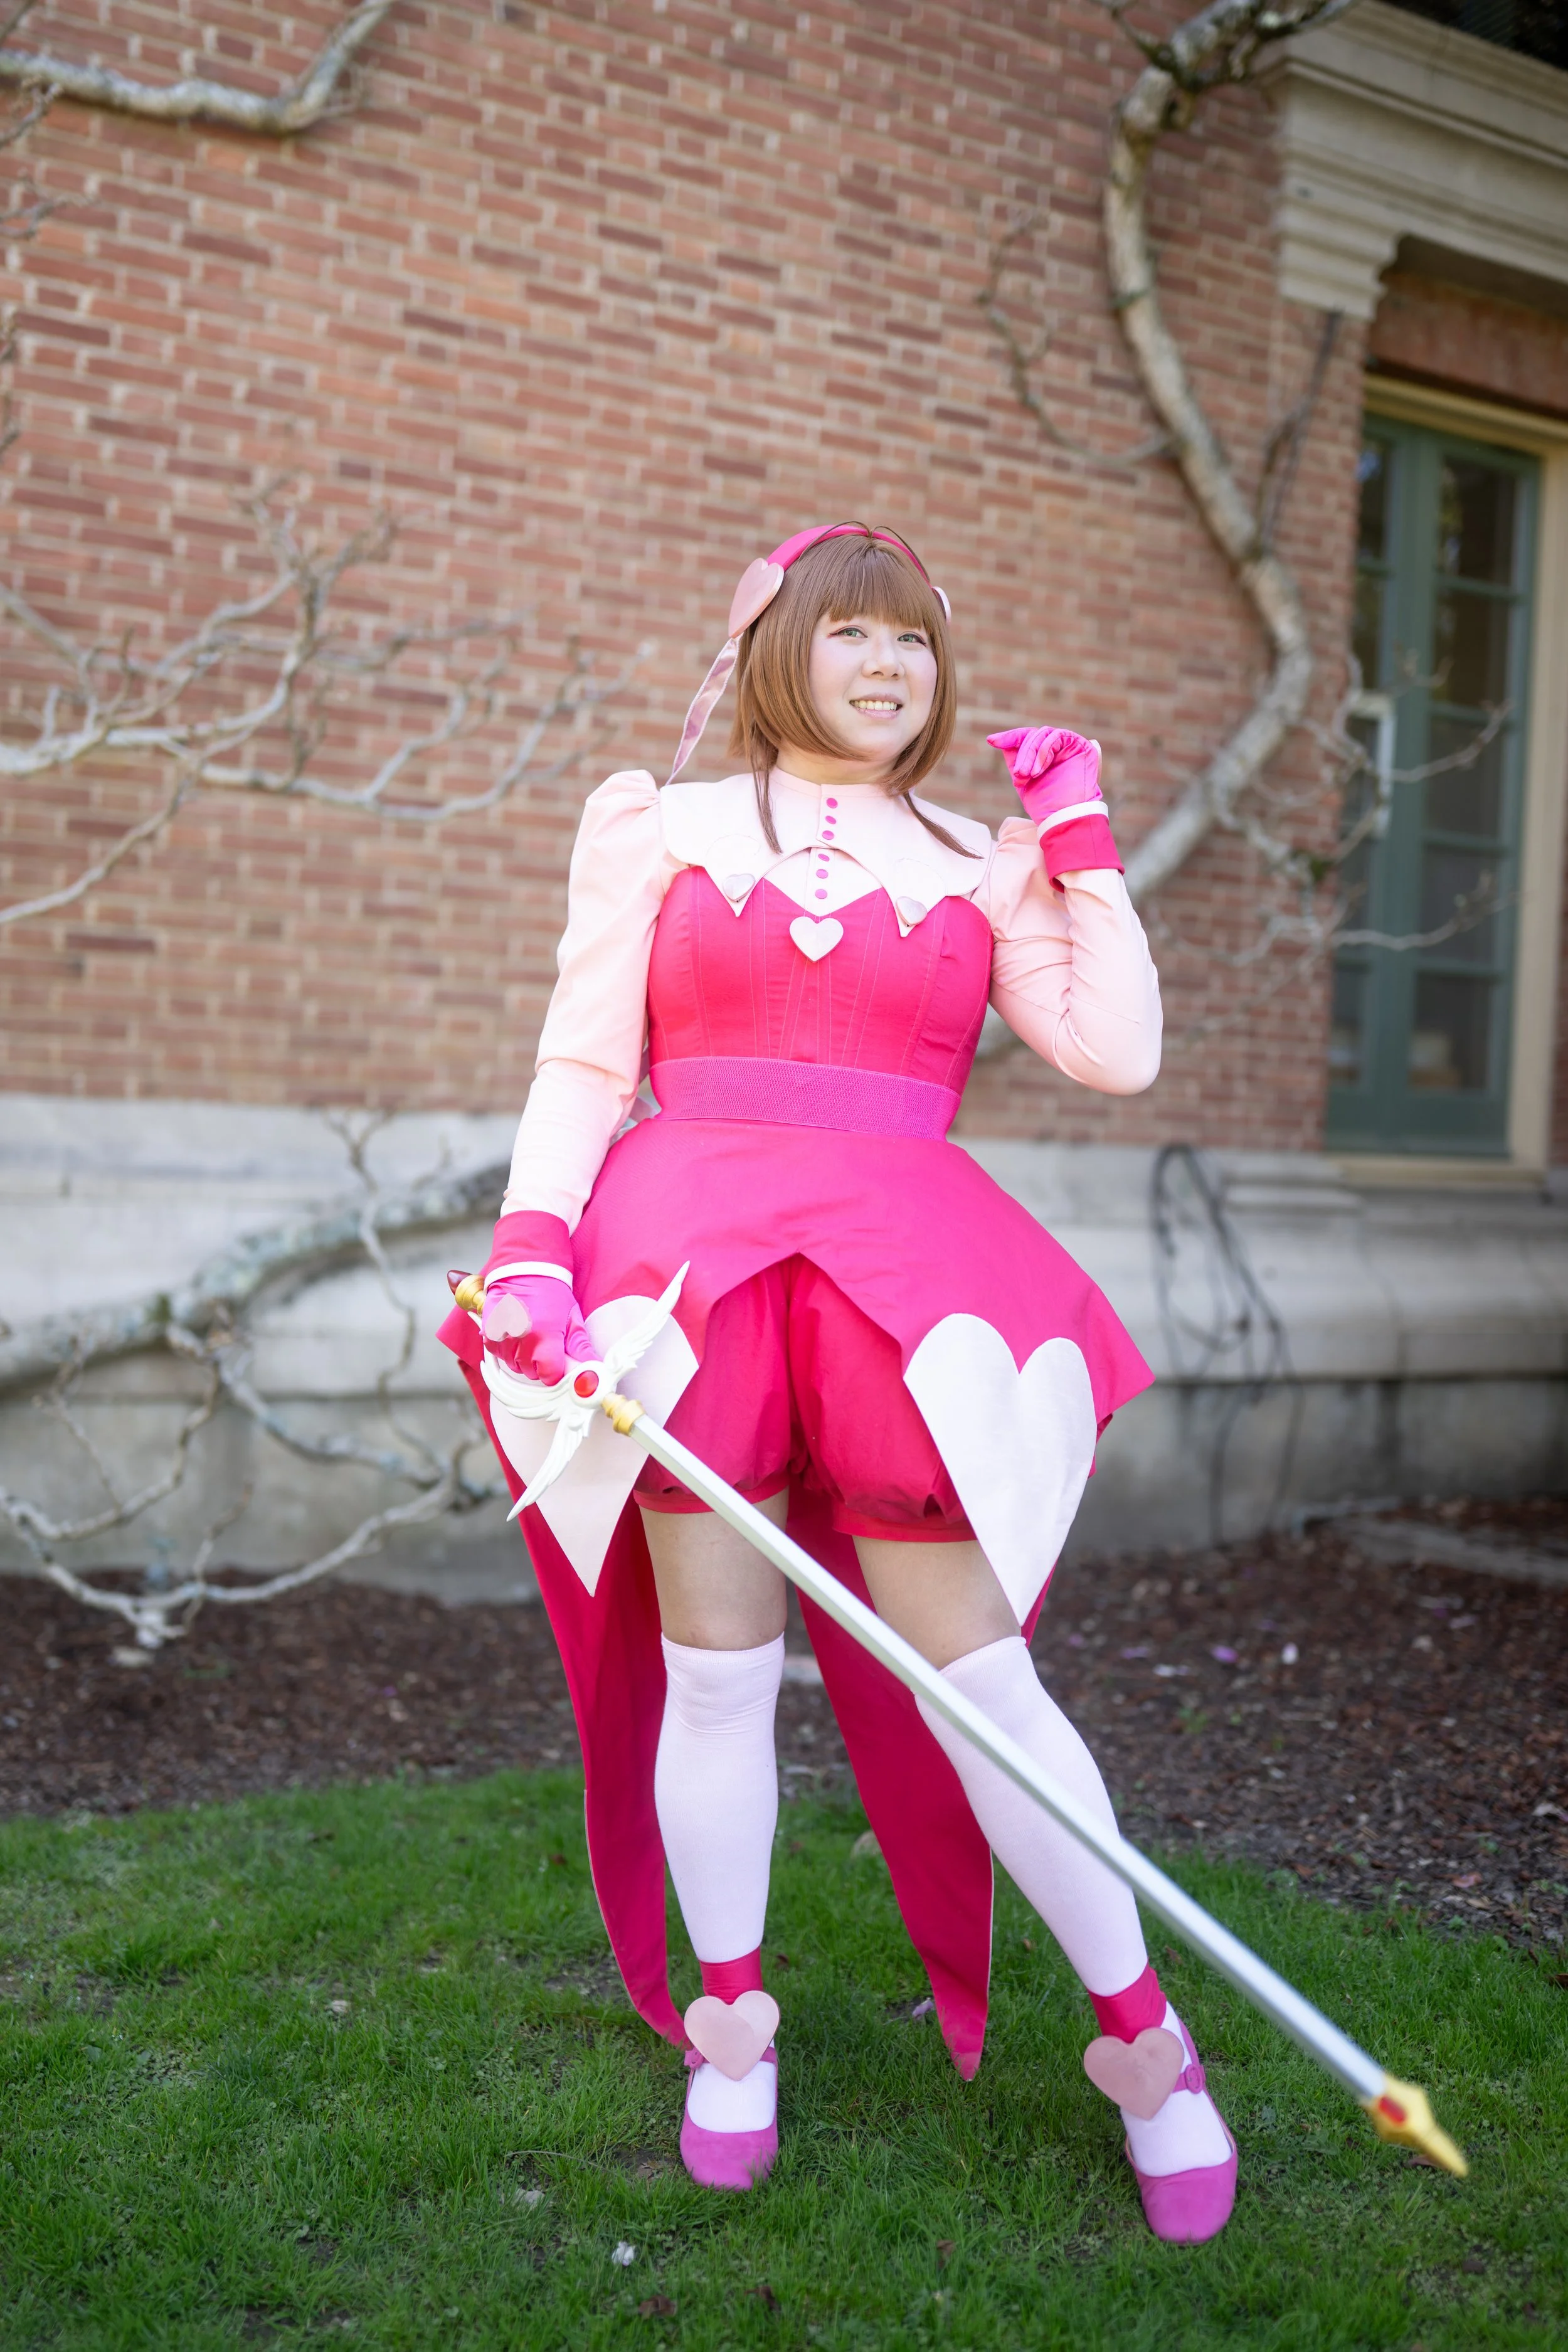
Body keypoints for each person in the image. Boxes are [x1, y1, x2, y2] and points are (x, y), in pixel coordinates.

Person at [440, 522, 1236, 2242]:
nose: (889, 666)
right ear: (768, 650)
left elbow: (1114, 1052)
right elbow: (584, 1058)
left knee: (989, 1687)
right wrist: (528, 1249)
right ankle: (732, 2034)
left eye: (916, 642)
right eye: (852, 632)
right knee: (721, 1681)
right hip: (688, 1272)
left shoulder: (974, 854)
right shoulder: (650, 823)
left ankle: (1145, 2045)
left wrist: (1080, 850)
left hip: (906, 1287)